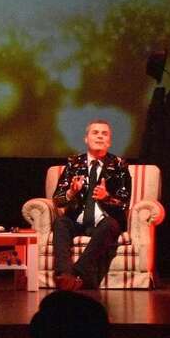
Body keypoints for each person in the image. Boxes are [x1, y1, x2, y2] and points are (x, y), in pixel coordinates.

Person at [51, 119, 131, 290]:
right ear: (86, 139)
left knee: (110, 225)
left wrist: (106, 197)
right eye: (95, 133)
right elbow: (57, 199)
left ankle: (77, 273)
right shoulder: (74, 163)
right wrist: (71, 192)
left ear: (109, 141)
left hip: (104, 222)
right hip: (77, 221)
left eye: (104, 134)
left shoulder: (119, 166)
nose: (100, 136)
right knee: (60, 222)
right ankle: (64, 273)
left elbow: (125, 202)